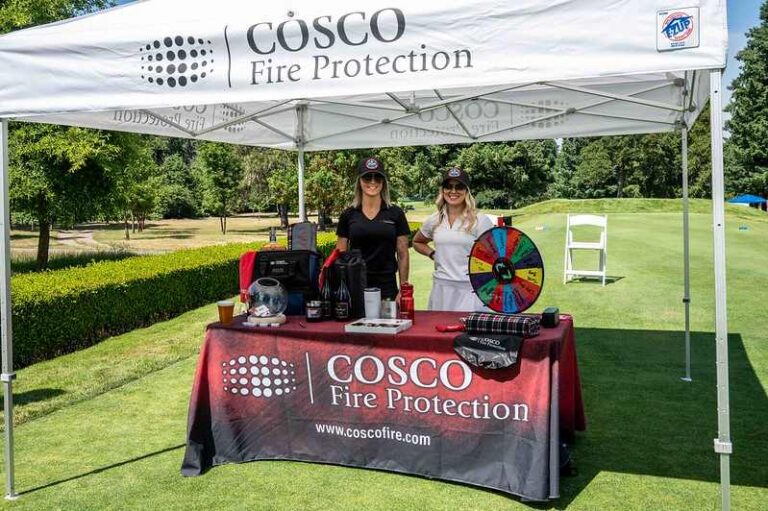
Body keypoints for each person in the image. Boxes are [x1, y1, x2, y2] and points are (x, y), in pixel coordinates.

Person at [412, 167, 495, 311]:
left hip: (471, 290)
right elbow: (417, 241)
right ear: (442, 190)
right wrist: (432, 254)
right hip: (441, 289)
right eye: (448, 186)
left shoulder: (480, 220)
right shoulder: (435, 219)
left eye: (459, 186)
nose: (453, 191)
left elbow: (494, 255)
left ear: (467, 191)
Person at [336, 157, 410, 300]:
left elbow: (403, 254)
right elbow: (341, 255)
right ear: (359, 181)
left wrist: (403, 289)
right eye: (367, 177)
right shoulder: (348, 215)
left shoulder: (396, 213)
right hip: (356, 285)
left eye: (378, 178)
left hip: (387, 286)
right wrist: (341, 287)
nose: (372, 182)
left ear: (384, 182)